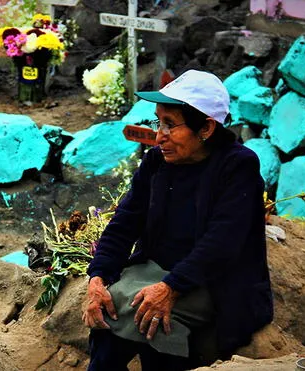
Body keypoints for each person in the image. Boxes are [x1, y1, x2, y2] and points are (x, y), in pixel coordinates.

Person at [82, 70, 273, 371]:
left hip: (214, 282)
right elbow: (125, 222)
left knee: (144, 315)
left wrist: (171, 287)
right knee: (109, 307)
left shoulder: (238, 166)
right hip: (155, 271)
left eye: (170, 125)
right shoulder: (157, 161)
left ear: (207, 128)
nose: (159, 136)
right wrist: (99, 276)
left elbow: (222, 243)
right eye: (159, 122)